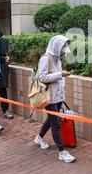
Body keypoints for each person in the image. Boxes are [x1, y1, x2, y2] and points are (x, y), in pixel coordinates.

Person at [33, 35, 76, 163]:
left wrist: (62, 92)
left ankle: (39, 137)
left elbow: (57, 78)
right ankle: (62, 152)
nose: (63, 50)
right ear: (56, 46)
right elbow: (43, 77)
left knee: (52, 119)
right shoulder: (45, 58)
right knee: (55, 123)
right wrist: (60, 74)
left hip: (57, 96)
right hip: (49, 97)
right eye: (62, 47)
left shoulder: (57, 59)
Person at [0, 32, 13, 119]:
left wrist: (7, 59)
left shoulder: (2, 41)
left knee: (3, 91)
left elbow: (6, 55)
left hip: (2, 71)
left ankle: (5, 110)